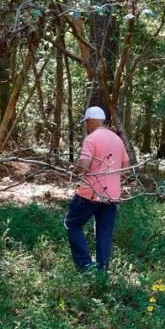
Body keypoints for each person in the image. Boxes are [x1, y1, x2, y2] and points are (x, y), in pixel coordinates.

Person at [64, 106, 130, 271]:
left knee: (71, 223)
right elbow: (126, 167)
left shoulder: (91, 138)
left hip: (90, 192)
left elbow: (84, 166)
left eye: (86, 122)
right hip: (112, 195)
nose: (86, 126)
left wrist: (76, 169)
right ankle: (102, 271)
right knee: (104, 234)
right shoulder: (117, 139)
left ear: (90, 121)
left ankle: (85, 266)